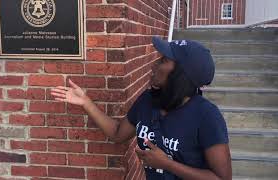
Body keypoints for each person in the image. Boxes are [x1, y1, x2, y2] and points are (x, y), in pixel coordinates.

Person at [51, 37, 232, 180]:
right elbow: (117, 133)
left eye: (164, 60)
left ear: (180, 75)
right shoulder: (148, 100)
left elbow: (222, 178)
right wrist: (86, 103)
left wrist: (168, 164)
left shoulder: (207, 116)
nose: (155, 65)